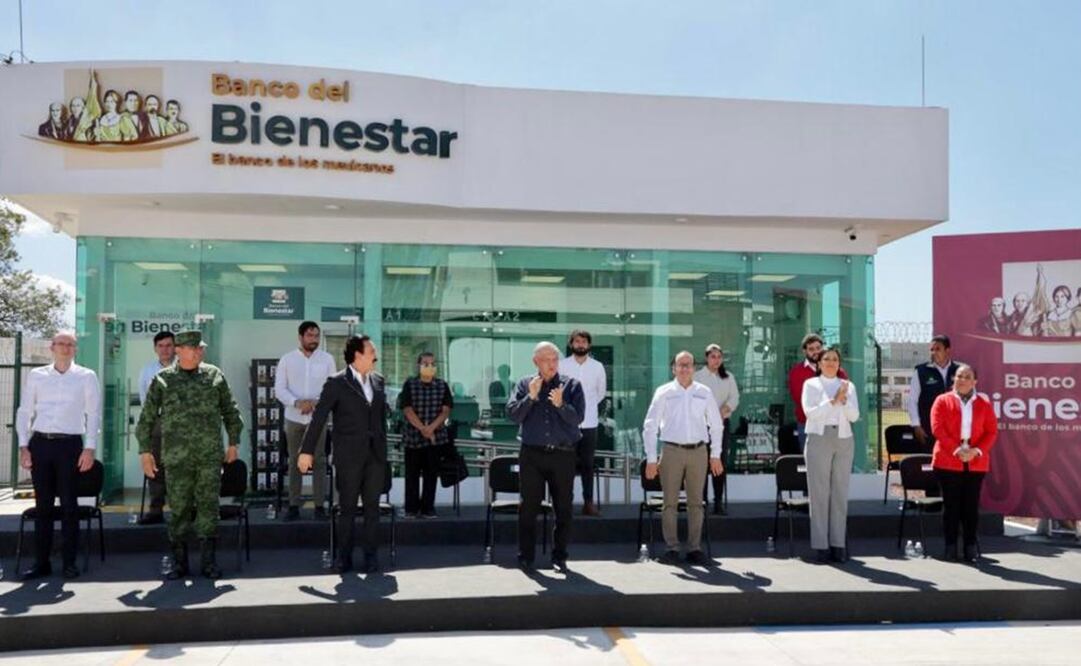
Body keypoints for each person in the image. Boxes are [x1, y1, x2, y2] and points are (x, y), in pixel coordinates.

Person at [136, 330, 242, 580]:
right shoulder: (163, 380)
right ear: (179, 351)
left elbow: (231, 410)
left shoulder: (214, 375)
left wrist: (233, 443)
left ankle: (208, 563)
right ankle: (179, 563)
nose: (198, 352)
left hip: (208, 457)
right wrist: (145, 451)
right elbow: (146, 419)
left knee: (208, 507)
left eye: (200, 348)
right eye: (193, 348)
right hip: (176, 457)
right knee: (180, 510)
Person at [299, 334, 387, 574]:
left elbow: (380, 419)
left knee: (372, 509)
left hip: (375, 456)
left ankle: (371, 557)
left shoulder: (378, 381)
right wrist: (306, 451)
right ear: (358, 355)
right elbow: (319, 418)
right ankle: (343, 557)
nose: (375, 355)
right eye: (371, 351)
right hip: (349, 457)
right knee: (346, 509)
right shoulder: (336, 382)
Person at [15, 332, 100, 580]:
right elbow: (24, 411)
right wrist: (23, 445)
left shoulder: (86, 376)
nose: (65, 348)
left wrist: (90, 448)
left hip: (70, 446)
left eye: (70, 344)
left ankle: (68, 563)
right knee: (43, 507)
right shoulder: (37, 375)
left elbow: (93, 414)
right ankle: (41, 563)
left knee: (69, 507)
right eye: (61, 344)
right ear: (52, 347)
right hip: (40, 443)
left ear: (75, 349)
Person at [507, 341, 585, 572]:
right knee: (528, 507)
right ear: (536, 362)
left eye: (554, 359)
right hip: (532, 454)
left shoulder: (571, 385)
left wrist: (561, 405)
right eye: (546, 360)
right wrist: (530, 398)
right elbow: (513, 415)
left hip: (563, 455)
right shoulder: (524, 384)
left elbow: (577, 418)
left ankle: (559, 556)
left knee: (563, 508)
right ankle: (526, 556)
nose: (551, 364)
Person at [642, 351, 724, 565]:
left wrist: (715, 455)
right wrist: (651, 459)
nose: (685, 368)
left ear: (694, 368)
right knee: (669, 502)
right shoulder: (664, 392)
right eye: (681, 364)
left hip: (699, 452)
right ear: (673, 368)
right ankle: (671, 548)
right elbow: (650, 426)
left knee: (696, 503)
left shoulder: (704, 392)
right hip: (671, 451)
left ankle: (694, 548)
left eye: (689, 364)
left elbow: (716, 425)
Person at [930, 364, 998, 563]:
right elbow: (937, 429)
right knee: (951, 507)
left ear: (974, 381)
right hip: (947, 460)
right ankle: (950, 547)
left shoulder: (983, 403)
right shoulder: (942, 401)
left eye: (967, 376)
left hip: (975, 462)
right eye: (959, 376)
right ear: (954, 379)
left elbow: (991, 431)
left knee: (970, 507)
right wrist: (957, 450)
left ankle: (970, 547)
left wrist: (976, 452)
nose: (962, 379)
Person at [801, 346, 860, 564]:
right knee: (819, 493)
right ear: (819, 363)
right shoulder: (811, 384)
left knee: (840, 492)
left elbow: (854, 415)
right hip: (819, 437)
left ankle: (838, 544)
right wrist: (833, 400)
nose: (831, 363)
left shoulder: (848, 386)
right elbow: (811, 413)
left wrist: (843, 401)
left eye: (835, 359)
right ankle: (821, 545)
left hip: (844, 439)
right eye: (827, 359)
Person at [275, 321, 336, 521]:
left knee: (318, 461)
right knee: (295, 462)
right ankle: (293, 506)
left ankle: (319, 506)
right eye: (310, 335)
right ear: (300, 337)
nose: (314, 340)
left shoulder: (327, 359)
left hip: (317, 419)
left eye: (316, 336)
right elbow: (280, 389)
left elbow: (332, 388)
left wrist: (316, 403)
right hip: (294, 418)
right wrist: (297, 402)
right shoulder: (287, 359)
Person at [558, 329, 607, 517]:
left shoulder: (597, 366)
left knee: (587, 464)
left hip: (589, 423)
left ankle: (588, 503)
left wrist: (586, 407)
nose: (580, 344)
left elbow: (600, 393)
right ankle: (565, 503)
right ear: (571, 344)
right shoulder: (562, 365)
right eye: (577, 341)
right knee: (565, 465)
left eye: (584, 342)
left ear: (589, 345)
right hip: (567, 423)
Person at [398, 352, 453, 518]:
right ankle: (411, 509)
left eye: (432, 364)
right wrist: (424, 429)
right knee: (412, 475)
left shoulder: (442, 385)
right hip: (413, 438)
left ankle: (428, 507)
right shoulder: (410, 384)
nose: (429, 367)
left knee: (431, 475)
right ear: (418, 366)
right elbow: (407, 409)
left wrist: (432, 428)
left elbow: (446, 410)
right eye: (425, 364)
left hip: (435, 439)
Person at [135, 330, 177, 525]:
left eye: (169, 345)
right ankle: (156, 510)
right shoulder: (147, 370)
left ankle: (185, 509)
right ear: (155, 348)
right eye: (161, 346)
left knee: (182, 466)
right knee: (155, 466)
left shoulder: (185, 367)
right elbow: (144, 399)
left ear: (175, 347)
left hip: (181, 424)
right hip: (158, 422)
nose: (165, 350)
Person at [693, 343, 739, 515]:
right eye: (713, 356)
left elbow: (734, 397)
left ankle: (718, 501)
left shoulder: (728, 377)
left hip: (721, 424)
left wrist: (724, 410)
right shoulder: (697, 376)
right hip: (701, 425)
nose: (716, 360)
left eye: (719, 357)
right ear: (707, 358)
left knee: (719, 462)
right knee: (701, 463)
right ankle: (702, 501)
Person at [787, 334, 847, 451]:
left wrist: (829, 401)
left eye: (818, 348)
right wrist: (832, 400)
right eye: (811, 349)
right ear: (805, 351)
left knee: (835, 464)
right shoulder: (797, 372)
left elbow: (844, 394)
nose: (815, 352)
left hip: (835, 425)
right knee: (812, 464)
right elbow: (801, 400)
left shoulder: (838, 371)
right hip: (809, 425)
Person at [907, 334, 961, 449]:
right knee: (929, 463)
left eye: (938, 349)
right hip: (928, 429)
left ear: (947, 351)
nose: (934, 352)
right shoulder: (921, 371)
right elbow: (912, 400)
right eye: (931, 350)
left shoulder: (960, 371)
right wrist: (916, 425)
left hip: (955, 430)